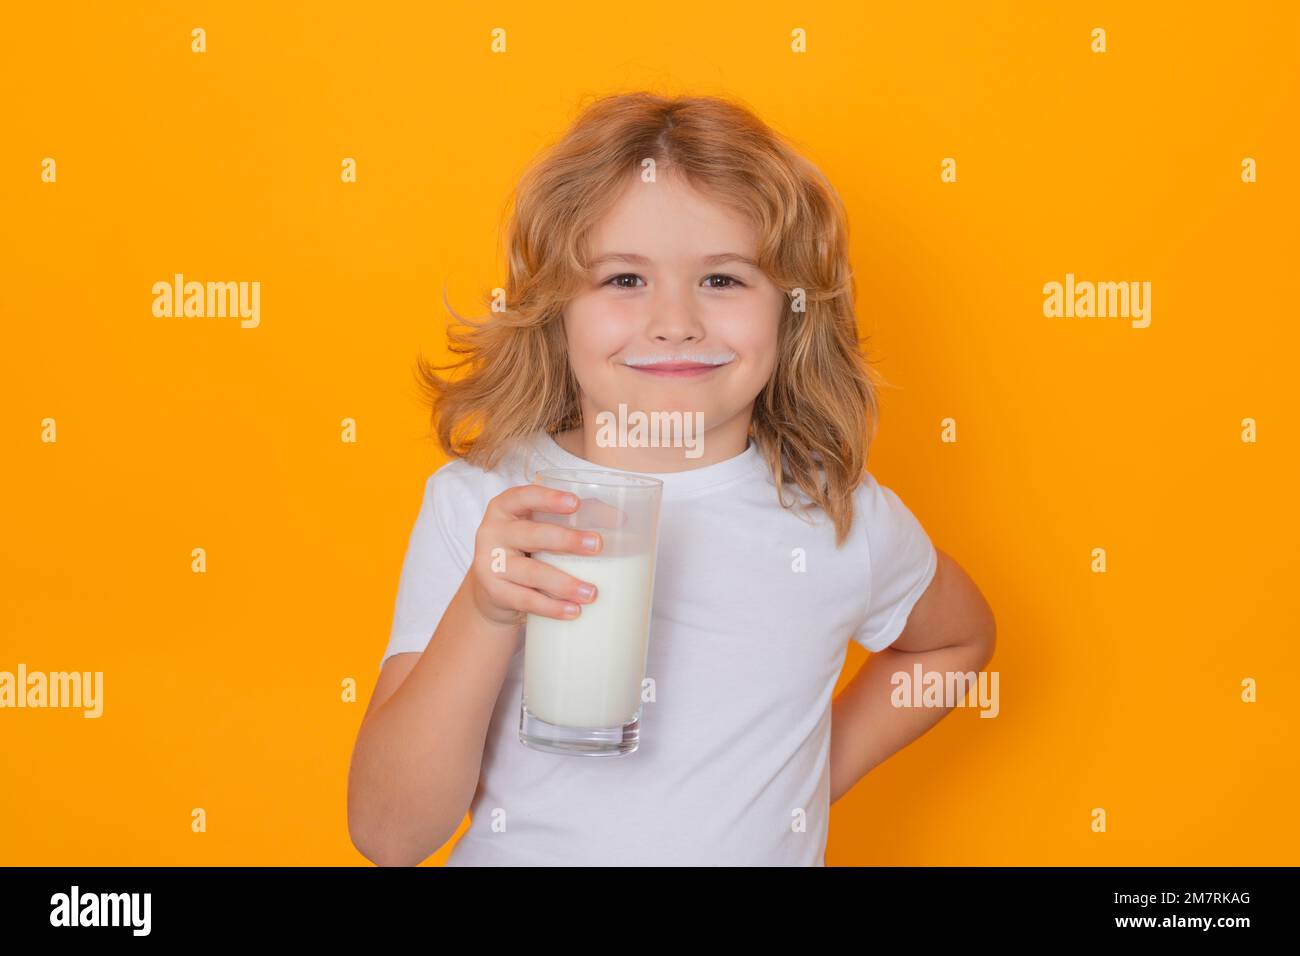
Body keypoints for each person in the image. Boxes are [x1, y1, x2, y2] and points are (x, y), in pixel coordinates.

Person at [347, 91, 996, 866]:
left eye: (723, 280)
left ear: (790, 314)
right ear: (556, 311)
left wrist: (806, 784)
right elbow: (388, 837)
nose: (675, 321)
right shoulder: (486, 506)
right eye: (624, 280)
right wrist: (486, 613)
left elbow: (954, 641)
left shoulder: (834, 515)